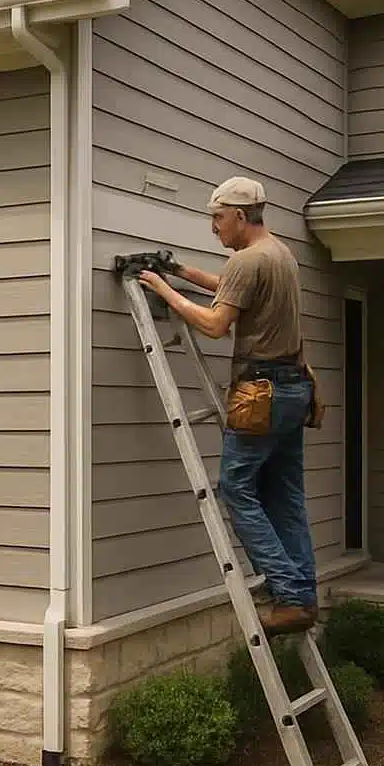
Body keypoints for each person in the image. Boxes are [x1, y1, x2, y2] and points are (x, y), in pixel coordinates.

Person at [135, 176, 318, 635]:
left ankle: (288, 594)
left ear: (239, 216)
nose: (213, 228)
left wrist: (162, 290)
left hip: (262, 393)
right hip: (295, 389)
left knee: (236, 489)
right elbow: (230, 286)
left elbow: (217, 324)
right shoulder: (278, 254)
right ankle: (304, 595)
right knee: (287, 497)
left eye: (217, 219)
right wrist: (179, 272)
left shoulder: (247, 259)